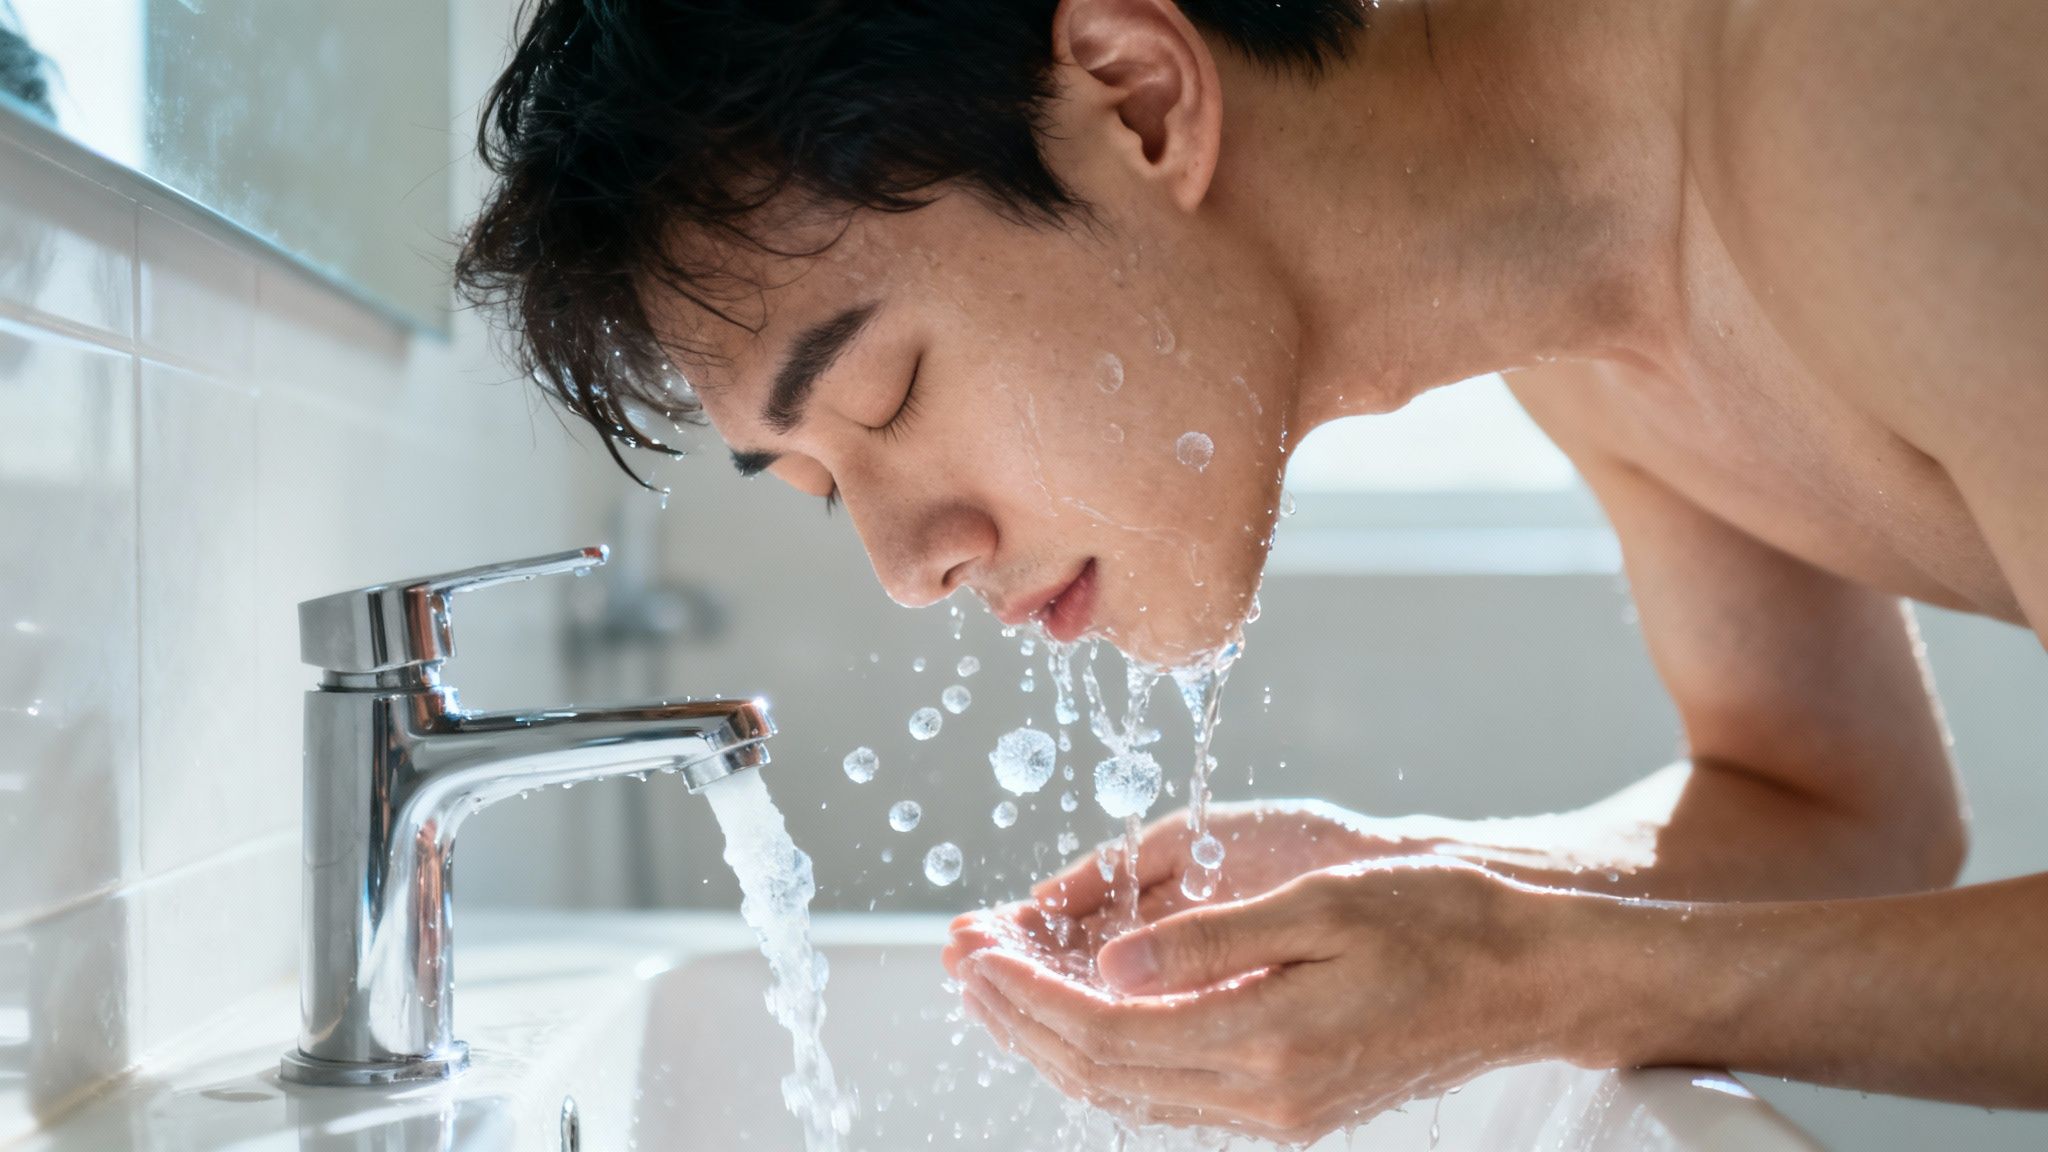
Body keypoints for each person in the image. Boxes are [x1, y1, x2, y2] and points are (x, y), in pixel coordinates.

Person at [455, 0, 2048, 1142]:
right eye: (822, 488)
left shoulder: (1871, 81)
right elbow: (1848, 811)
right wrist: (1431, 887)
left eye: (887, 398)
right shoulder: (1575, 303)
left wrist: (1539, 977)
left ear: (1140, 97)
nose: (904, 565)